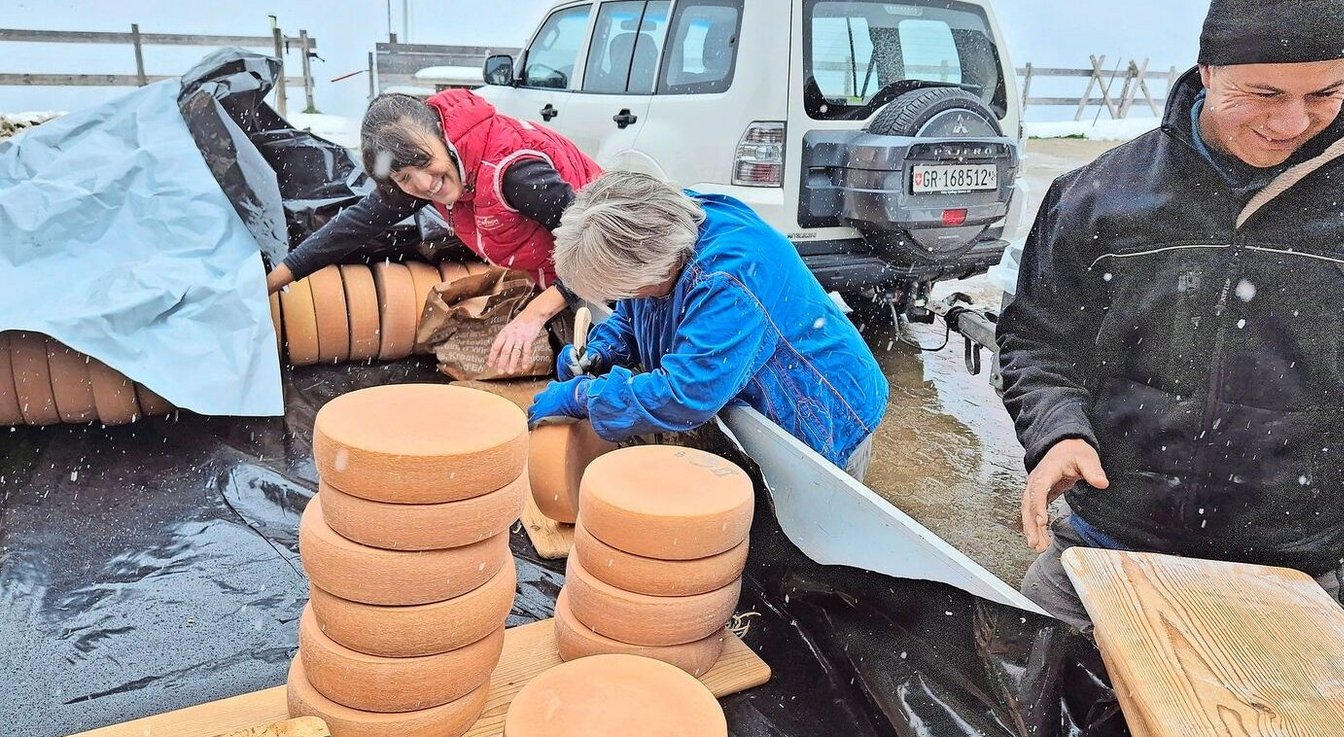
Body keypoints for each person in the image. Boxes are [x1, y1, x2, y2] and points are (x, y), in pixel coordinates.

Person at [996, 0, 1344, 630]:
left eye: (1326, 93)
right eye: (1263, 91)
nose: (1292, 122)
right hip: (1104, 542)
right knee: (1023, 703)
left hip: (1289, 571)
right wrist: (1059, 432)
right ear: (1209, 69)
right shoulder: (1100, 194)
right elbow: (1039, 338)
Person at [526, 171, 889, 480]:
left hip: (818, 407)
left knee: (811, 536)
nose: (625, 299)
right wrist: (603, 349)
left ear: (653, 269)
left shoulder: (730, 280)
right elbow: (635, 308)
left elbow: (686, 394)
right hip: (755, 392)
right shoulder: (659, 226)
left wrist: (583, 397)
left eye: (624, 290)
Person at [264, 89, 602, 373]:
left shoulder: (513, 174)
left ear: (442, 135)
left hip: (619, 262)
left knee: (620, 367)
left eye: (424, 163)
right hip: (564, 270)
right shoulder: (434, 174)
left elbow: (598, 249)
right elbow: (348, 229)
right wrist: (268, 284)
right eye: (405, 178)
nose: (425, 184)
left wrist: (532, 316)